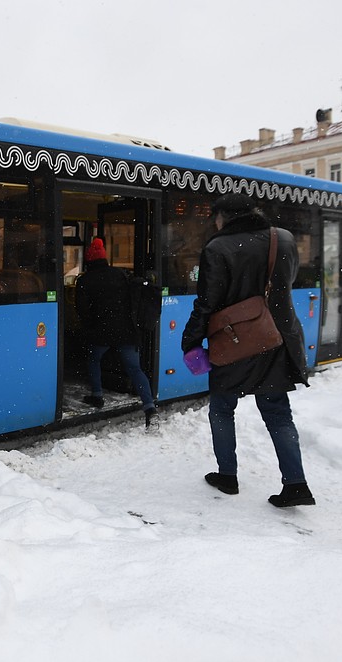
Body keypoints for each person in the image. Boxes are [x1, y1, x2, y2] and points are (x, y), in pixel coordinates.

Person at [181, 194, 314, 508]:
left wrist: (191, 340)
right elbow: (285, 285)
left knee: (222, 410)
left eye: (215, 217)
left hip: (235, 343)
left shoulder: (217, 248)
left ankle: (227, 475)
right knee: (279, 414)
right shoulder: (282, 239)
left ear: (224, 217)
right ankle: (296, 483)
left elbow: (207, 302)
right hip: (276, 339)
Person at [74, 237, 159, 430]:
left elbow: (82, 309)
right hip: (127, 331)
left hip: (101, 332)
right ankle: (150, 408)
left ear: (89, 260)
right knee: (135, 369)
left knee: (93, 359)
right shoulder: (120, 274)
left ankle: (97, 395)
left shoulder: (85, 280)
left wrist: (89, 325)